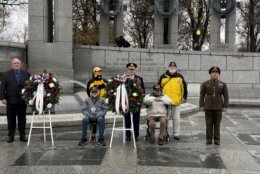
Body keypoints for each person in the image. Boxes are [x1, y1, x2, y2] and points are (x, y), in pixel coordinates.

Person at [0, 57, 31, 143]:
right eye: (15, 63)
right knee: (11, 119)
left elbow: (30, 87)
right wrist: (2, 98)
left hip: (22, 100)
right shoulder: (6, 74)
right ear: (12, 64)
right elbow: (2, 87)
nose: (16, 64)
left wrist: (28, 98)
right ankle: (11, 136)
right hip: (10, 100)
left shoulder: (26, 74)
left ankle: (22, 136)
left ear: (20, 64)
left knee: (22, 119)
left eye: (18, 63)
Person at [199, 66, 229, 145]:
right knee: (208, 124)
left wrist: (225, 106)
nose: (215, 74)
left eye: (216, 73)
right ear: (210, 74)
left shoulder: (223, 84)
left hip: (218, 107)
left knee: (217, 124)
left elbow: (226, 96)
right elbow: (202, 95)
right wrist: (201, 105)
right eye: (213, 73)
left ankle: (217, 139)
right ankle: (208, 139)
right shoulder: (205, 84)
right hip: (208, 106)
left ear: (218, 74)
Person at [158, 62, 188, 140]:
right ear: (168, 67)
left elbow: (184, 88)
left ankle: (176, 134)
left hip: (176, 100)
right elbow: (158, 88)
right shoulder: (163, 76)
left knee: (176, 118)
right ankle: (164, 133)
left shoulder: (180, 76)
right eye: (171, 66)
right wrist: (159, 97)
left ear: (176, 68)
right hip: (165, 101)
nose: (172, 67)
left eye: (173, 66)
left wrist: (184, 97)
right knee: (165, 118)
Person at [125, 63, 145, 141]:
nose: (131, 70)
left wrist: (141, 100)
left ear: (135, 70)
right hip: (126, 102)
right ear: (127, 69)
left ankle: (136, 135)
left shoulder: (139, 79)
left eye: (133, 69)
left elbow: (143, 90)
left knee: (136, 119)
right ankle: (128, 135)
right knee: (127, 119)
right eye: (130, 69)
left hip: (136, 102)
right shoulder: (124, 78)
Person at [86, 66, 107, 140]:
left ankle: (101, 133)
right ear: (94, 72)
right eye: (97, 71)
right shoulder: (91, 81)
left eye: (100, 71)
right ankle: (93, 133)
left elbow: (106, 88)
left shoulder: (104, 80)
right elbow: (90, 91)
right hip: (94, 102)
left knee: (102, 118)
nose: (99, 72)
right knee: (93, 118)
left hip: (102, 102)